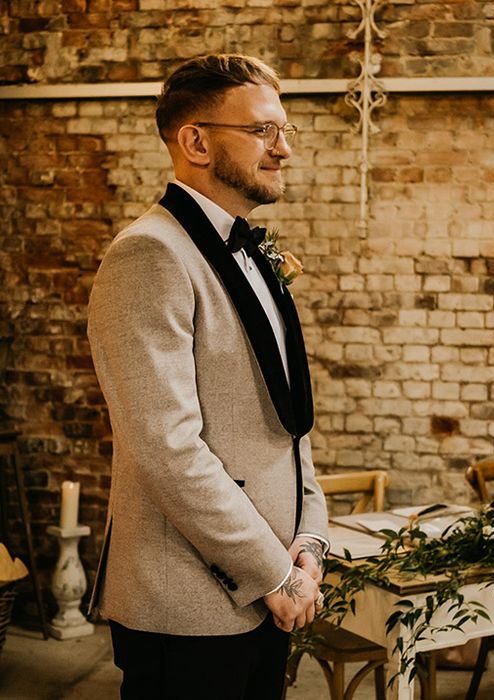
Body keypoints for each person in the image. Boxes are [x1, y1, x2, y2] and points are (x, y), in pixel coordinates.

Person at [87, 53, 329, 700]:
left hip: (274, 579)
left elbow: (288, 414)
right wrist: (273, 575)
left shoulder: (249, 246)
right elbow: (166, 449)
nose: (283, 150)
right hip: (188, 603)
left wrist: (309, 537)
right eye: (261, 132)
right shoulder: (148, 255)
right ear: (195, 140)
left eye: (285, 131)